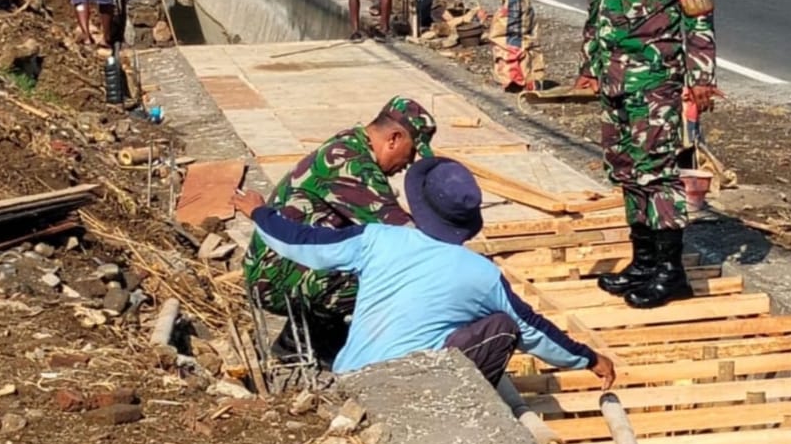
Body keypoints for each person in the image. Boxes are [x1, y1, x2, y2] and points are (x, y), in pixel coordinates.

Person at [251, 157, 617, 389]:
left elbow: (304, 242)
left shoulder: (380, 238)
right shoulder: (482, 273)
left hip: (350, 374)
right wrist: (587, 358)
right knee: (503, 324)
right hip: (405, 386)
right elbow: (533, 330)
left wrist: (259, 213)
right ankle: (462, 401)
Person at [574, 0, 721, 309]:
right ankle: (642, 262)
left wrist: (700, 78)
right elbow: (595, 8)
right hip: (613, 80)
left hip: (656, 81)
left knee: (657, 175)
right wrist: (588, 65)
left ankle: (670, 271)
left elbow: (699, 16)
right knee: (625, 171)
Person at [237, 97, 436, 365]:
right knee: (399, 276)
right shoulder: (351, 165)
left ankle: (308, 336)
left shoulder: (350, 145)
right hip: (277, 278)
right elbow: (405, 236)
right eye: (411, 152)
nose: (409, 162)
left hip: (287, 264)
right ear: (394, 139)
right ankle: (315, 341)